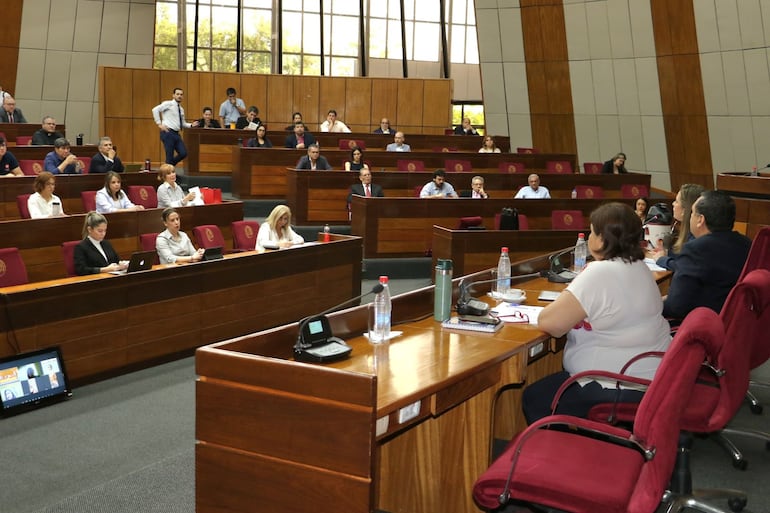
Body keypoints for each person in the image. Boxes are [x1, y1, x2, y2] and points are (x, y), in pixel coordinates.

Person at [522, 202, 671, 424]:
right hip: (650, 376)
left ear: (602, 239)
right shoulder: (640, 266)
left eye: (592, 231)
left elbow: (550, 323)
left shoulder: (600, 272)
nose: (589, 237)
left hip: (615, 382)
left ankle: (564, 456)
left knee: (536, 398)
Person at [662, 190, 752, 321]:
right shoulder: (746, 243)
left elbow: (676, 306)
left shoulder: (695, 250)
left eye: (692, 213)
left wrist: (653, 305)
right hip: (734, 322)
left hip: (701, 326)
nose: (690, 217)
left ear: (700, 219)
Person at [651, 183, 704, 270]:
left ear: (685, 209)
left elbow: (684, 266)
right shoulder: (688, 232)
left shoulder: (695, 238)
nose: (673, 204)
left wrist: (662, 259)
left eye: (676, 201)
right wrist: (666, 253)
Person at [151, 87, 199, 165]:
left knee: (183, 153)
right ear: (173, 95)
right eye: (177, 94)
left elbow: (182, 123)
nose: (179, 96)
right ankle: (168, 172)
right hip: (168, 132)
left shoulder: (181, 109)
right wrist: (159, 124)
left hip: (176, 134)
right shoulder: (168, 104)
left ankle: (168, 167)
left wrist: (191, 125)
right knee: (169, 156)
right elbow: (155, 110)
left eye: (181, 94)